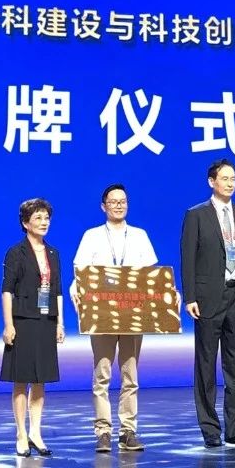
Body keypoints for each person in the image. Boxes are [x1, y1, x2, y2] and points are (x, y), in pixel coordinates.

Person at [71, 182, 157, 453]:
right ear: (103, 206)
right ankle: (103, 431)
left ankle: (128, 431)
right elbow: (80, 273)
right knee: (102, 374)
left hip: (132, 313)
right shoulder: (92, 236)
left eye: (123, 201)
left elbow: (151, 276)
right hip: (103, 313)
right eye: (113, 202)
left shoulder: (140, 235)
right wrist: (77, 292)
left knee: (130, 374)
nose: (118, 206)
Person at [180, 159, 235, 447]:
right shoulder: (196, 215)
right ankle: (210, 429)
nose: (230, 183)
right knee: (205, 363)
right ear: (211, 182)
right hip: (207, 298)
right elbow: (188, 258)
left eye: (233, 178)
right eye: (224, 178)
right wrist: (190, 296)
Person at [1, 198, 64, 456]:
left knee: (41, 379)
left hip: (46, 321)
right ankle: (21, 433)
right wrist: (8, 325)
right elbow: (7, 290)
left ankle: (36, 432)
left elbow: (57, 291)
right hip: (23, 321)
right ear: (26, 223)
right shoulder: (16, 252)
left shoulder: (53, 253)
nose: (44, 222)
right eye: (38, 218)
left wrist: (60, 323)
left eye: (46, 217)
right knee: (21, 379)